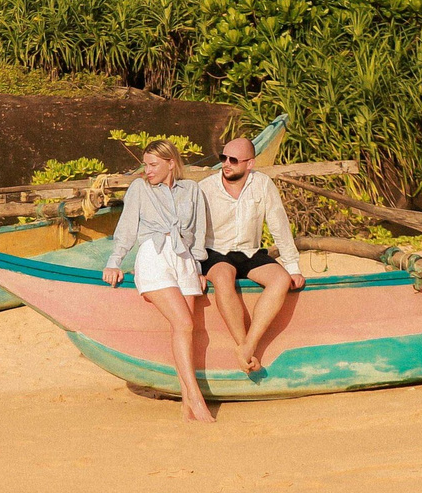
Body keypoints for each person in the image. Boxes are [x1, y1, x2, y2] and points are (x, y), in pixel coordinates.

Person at [100, 139, 214, 422]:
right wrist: (115, 262)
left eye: (153, 165)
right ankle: (197, 398)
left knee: (186, 331)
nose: (147, 171)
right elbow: (126, 228)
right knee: (184, 323)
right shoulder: (139, 188)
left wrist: (199, 267)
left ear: (171, 163)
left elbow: (198, 233)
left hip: (185, 259)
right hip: (155, 255)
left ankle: (186, 404)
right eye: (146, 165)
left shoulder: (192, 190)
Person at [197, 134, 304, 374]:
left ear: (250, 164)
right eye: (223, 157)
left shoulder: (263, 184)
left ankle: (248, 346)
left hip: (250, 251)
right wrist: (193, 269)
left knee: (280, 280)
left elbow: (279, 226)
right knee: (224, 276)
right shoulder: (205, 188)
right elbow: (193, 233)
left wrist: (293, 267)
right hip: (215, 251)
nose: (226, 163)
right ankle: (242, 345)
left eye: (233, 159)